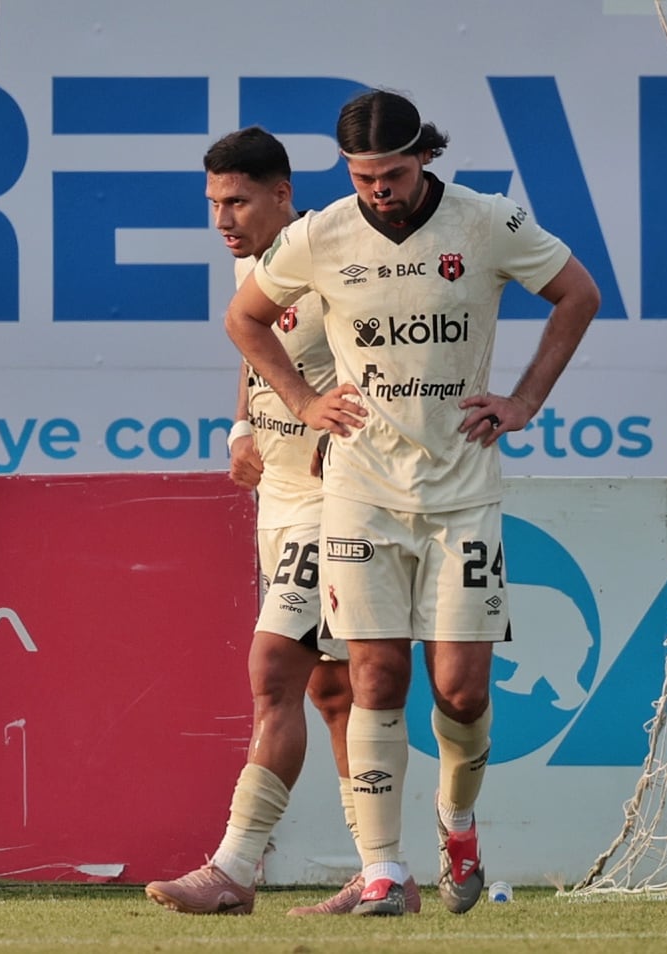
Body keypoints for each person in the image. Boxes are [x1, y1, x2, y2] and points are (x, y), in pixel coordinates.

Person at [225, 90, 601, 917]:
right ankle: (387, 869)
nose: (378, 191)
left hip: (462, 491)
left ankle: (457, 825)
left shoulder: (486, 222)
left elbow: (578, 294)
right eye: (363, 177)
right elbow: (246, 317)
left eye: (392, 174)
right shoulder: (322, 233)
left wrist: (525, 401)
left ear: (424, 157)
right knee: (374, 673)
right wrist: (299, 399)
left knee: (461, 691)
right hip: (359, 491)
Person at [144, 126, 421, 917]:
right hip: (283, 496)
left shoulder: (331, 251)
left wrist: (361, 439)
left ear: (282, 195)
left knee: (273, 669)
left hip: (335, 499)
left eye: (237, 201)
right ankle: (382, 872)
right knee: (331, 689)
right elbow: (253, 343)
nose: (223, 218)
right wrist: (241, 426)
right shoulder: (254, 263)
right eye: (213, 203)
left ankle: (234, 866)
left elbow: (399, 352)